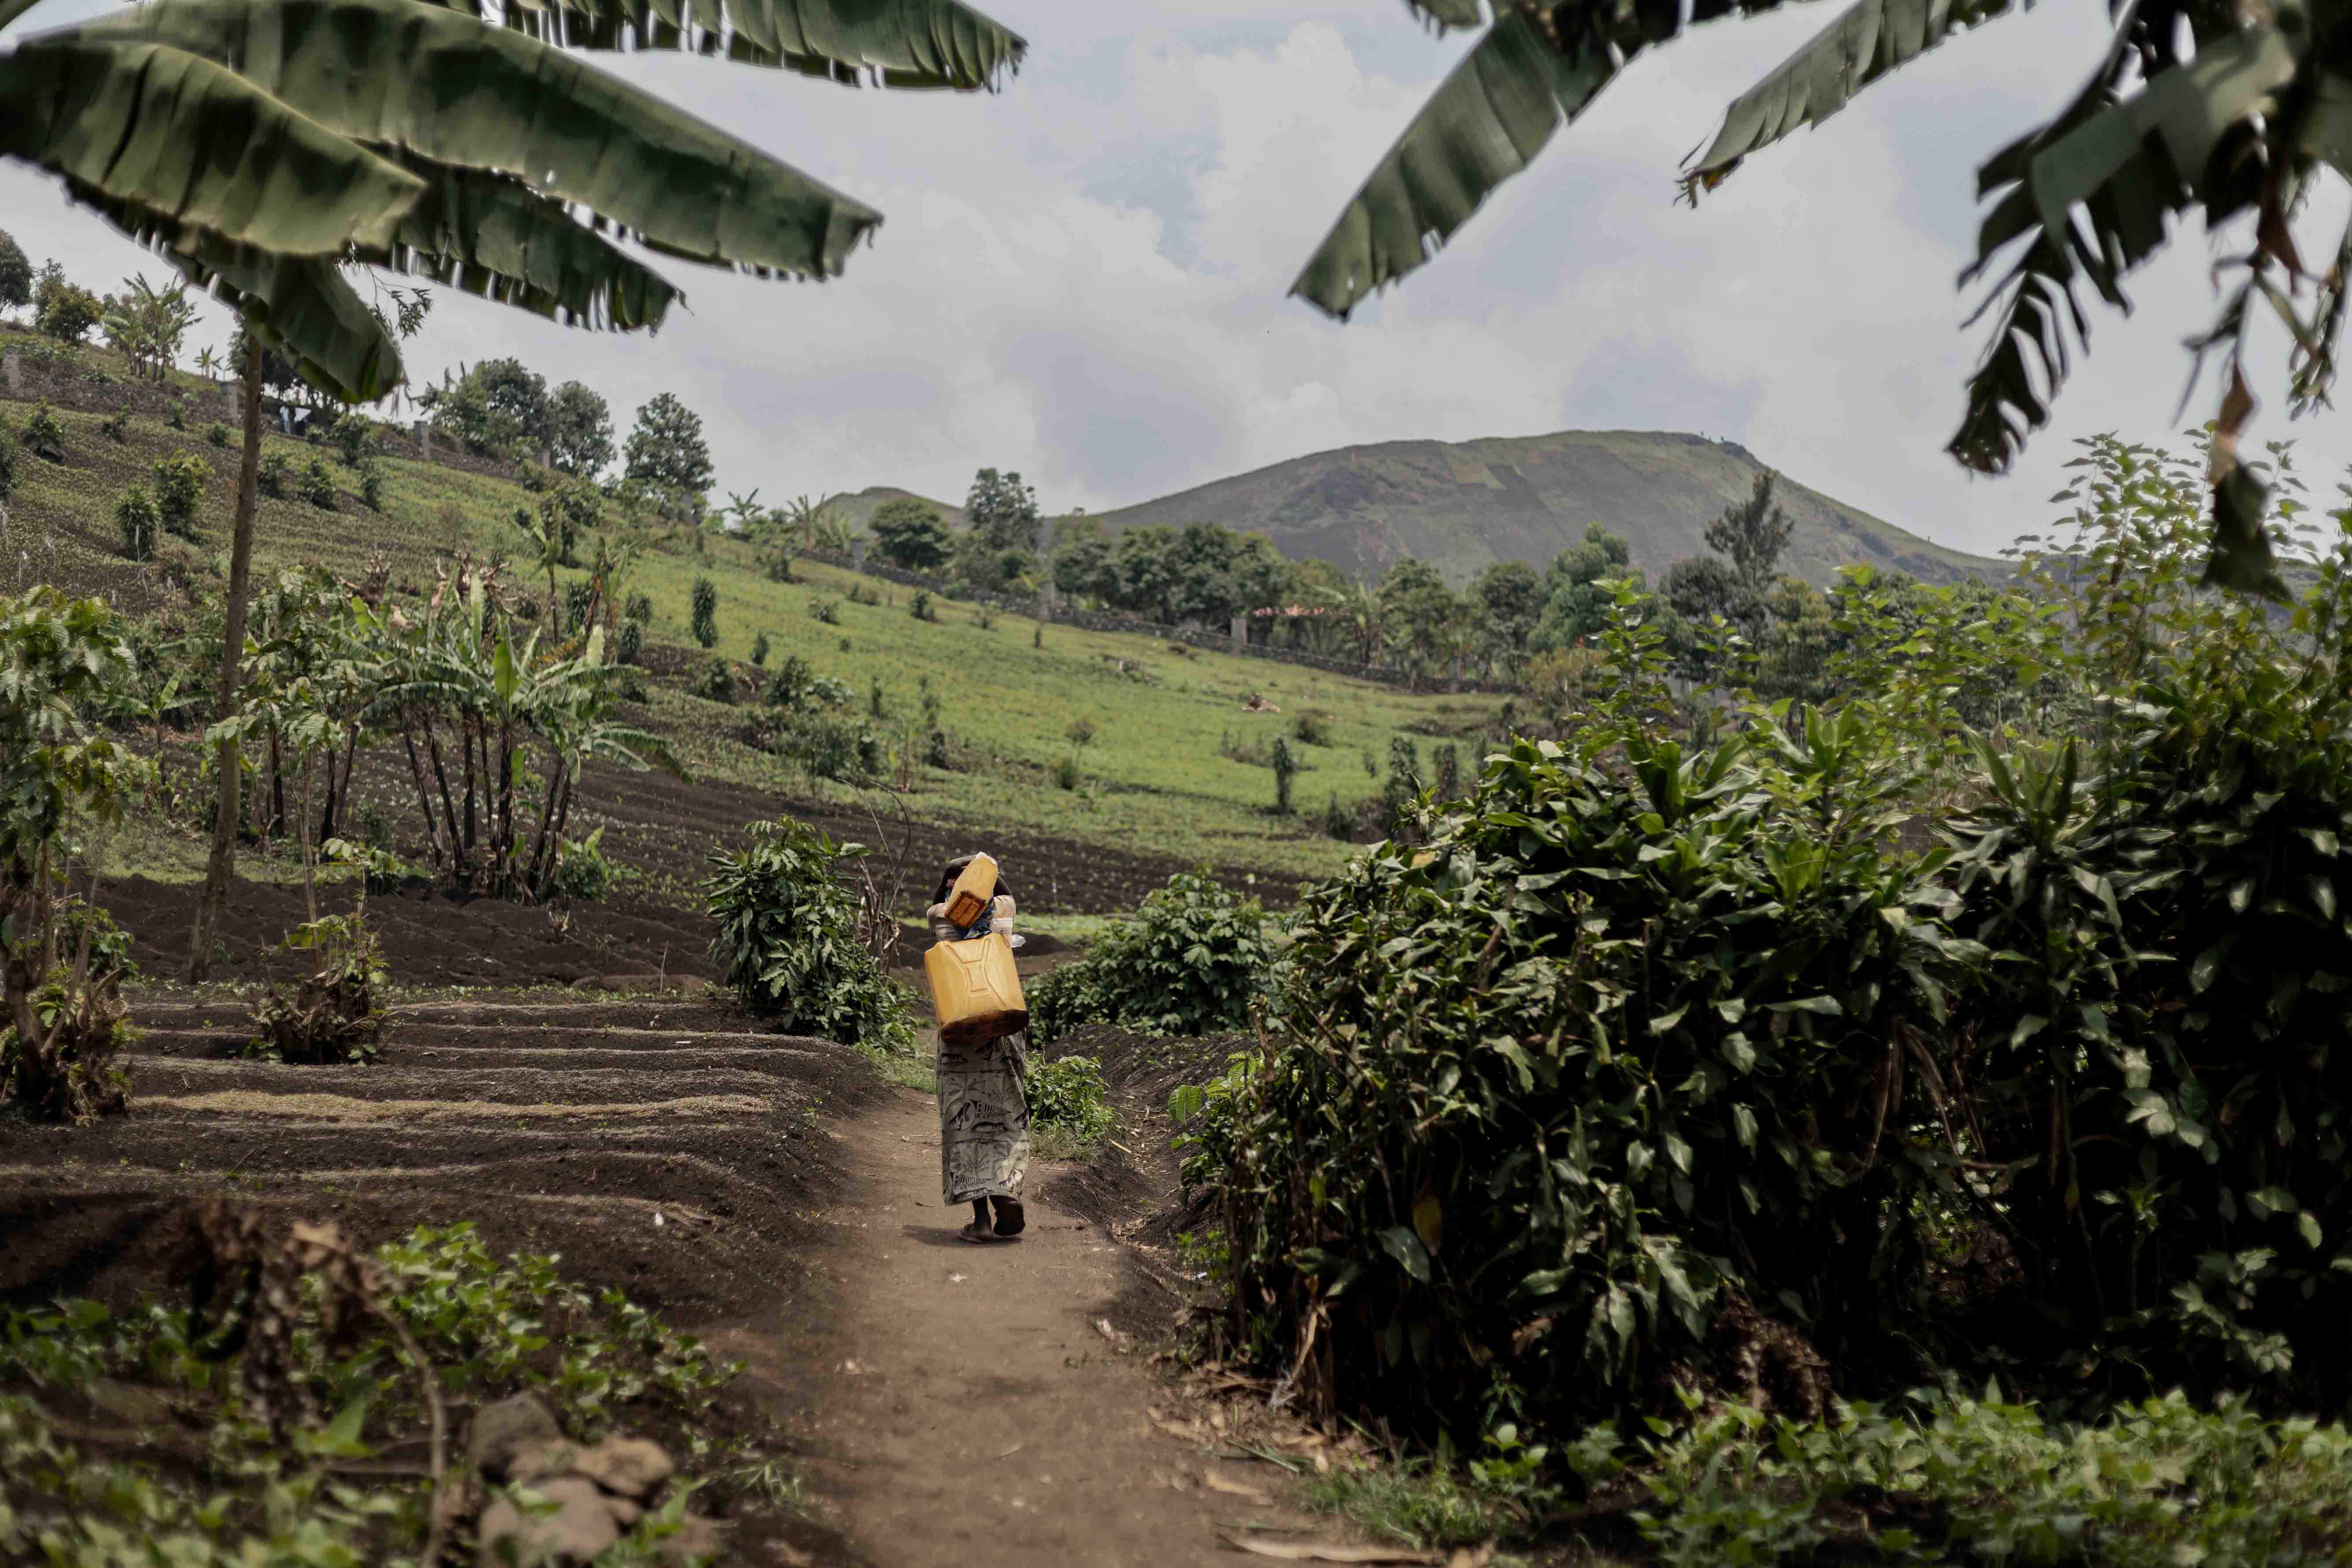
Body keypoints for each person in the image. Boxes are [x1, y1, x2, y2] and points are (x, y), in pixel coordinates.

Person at [928, 854, 1029, 1243]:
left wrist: (956, 884)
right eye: (954, 878)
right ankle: (1005, 1191)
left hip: (959, 1031)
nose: (955, 885)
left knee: (962, 1120)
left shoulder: (938, 914)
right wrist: (988, 872)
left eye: (960, 879)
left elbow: (950, 904)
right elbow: (1004, 895)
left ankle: (982, 1220)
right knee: (1006, 1115)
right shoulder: (1003, 908)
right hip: (1003, 1027)